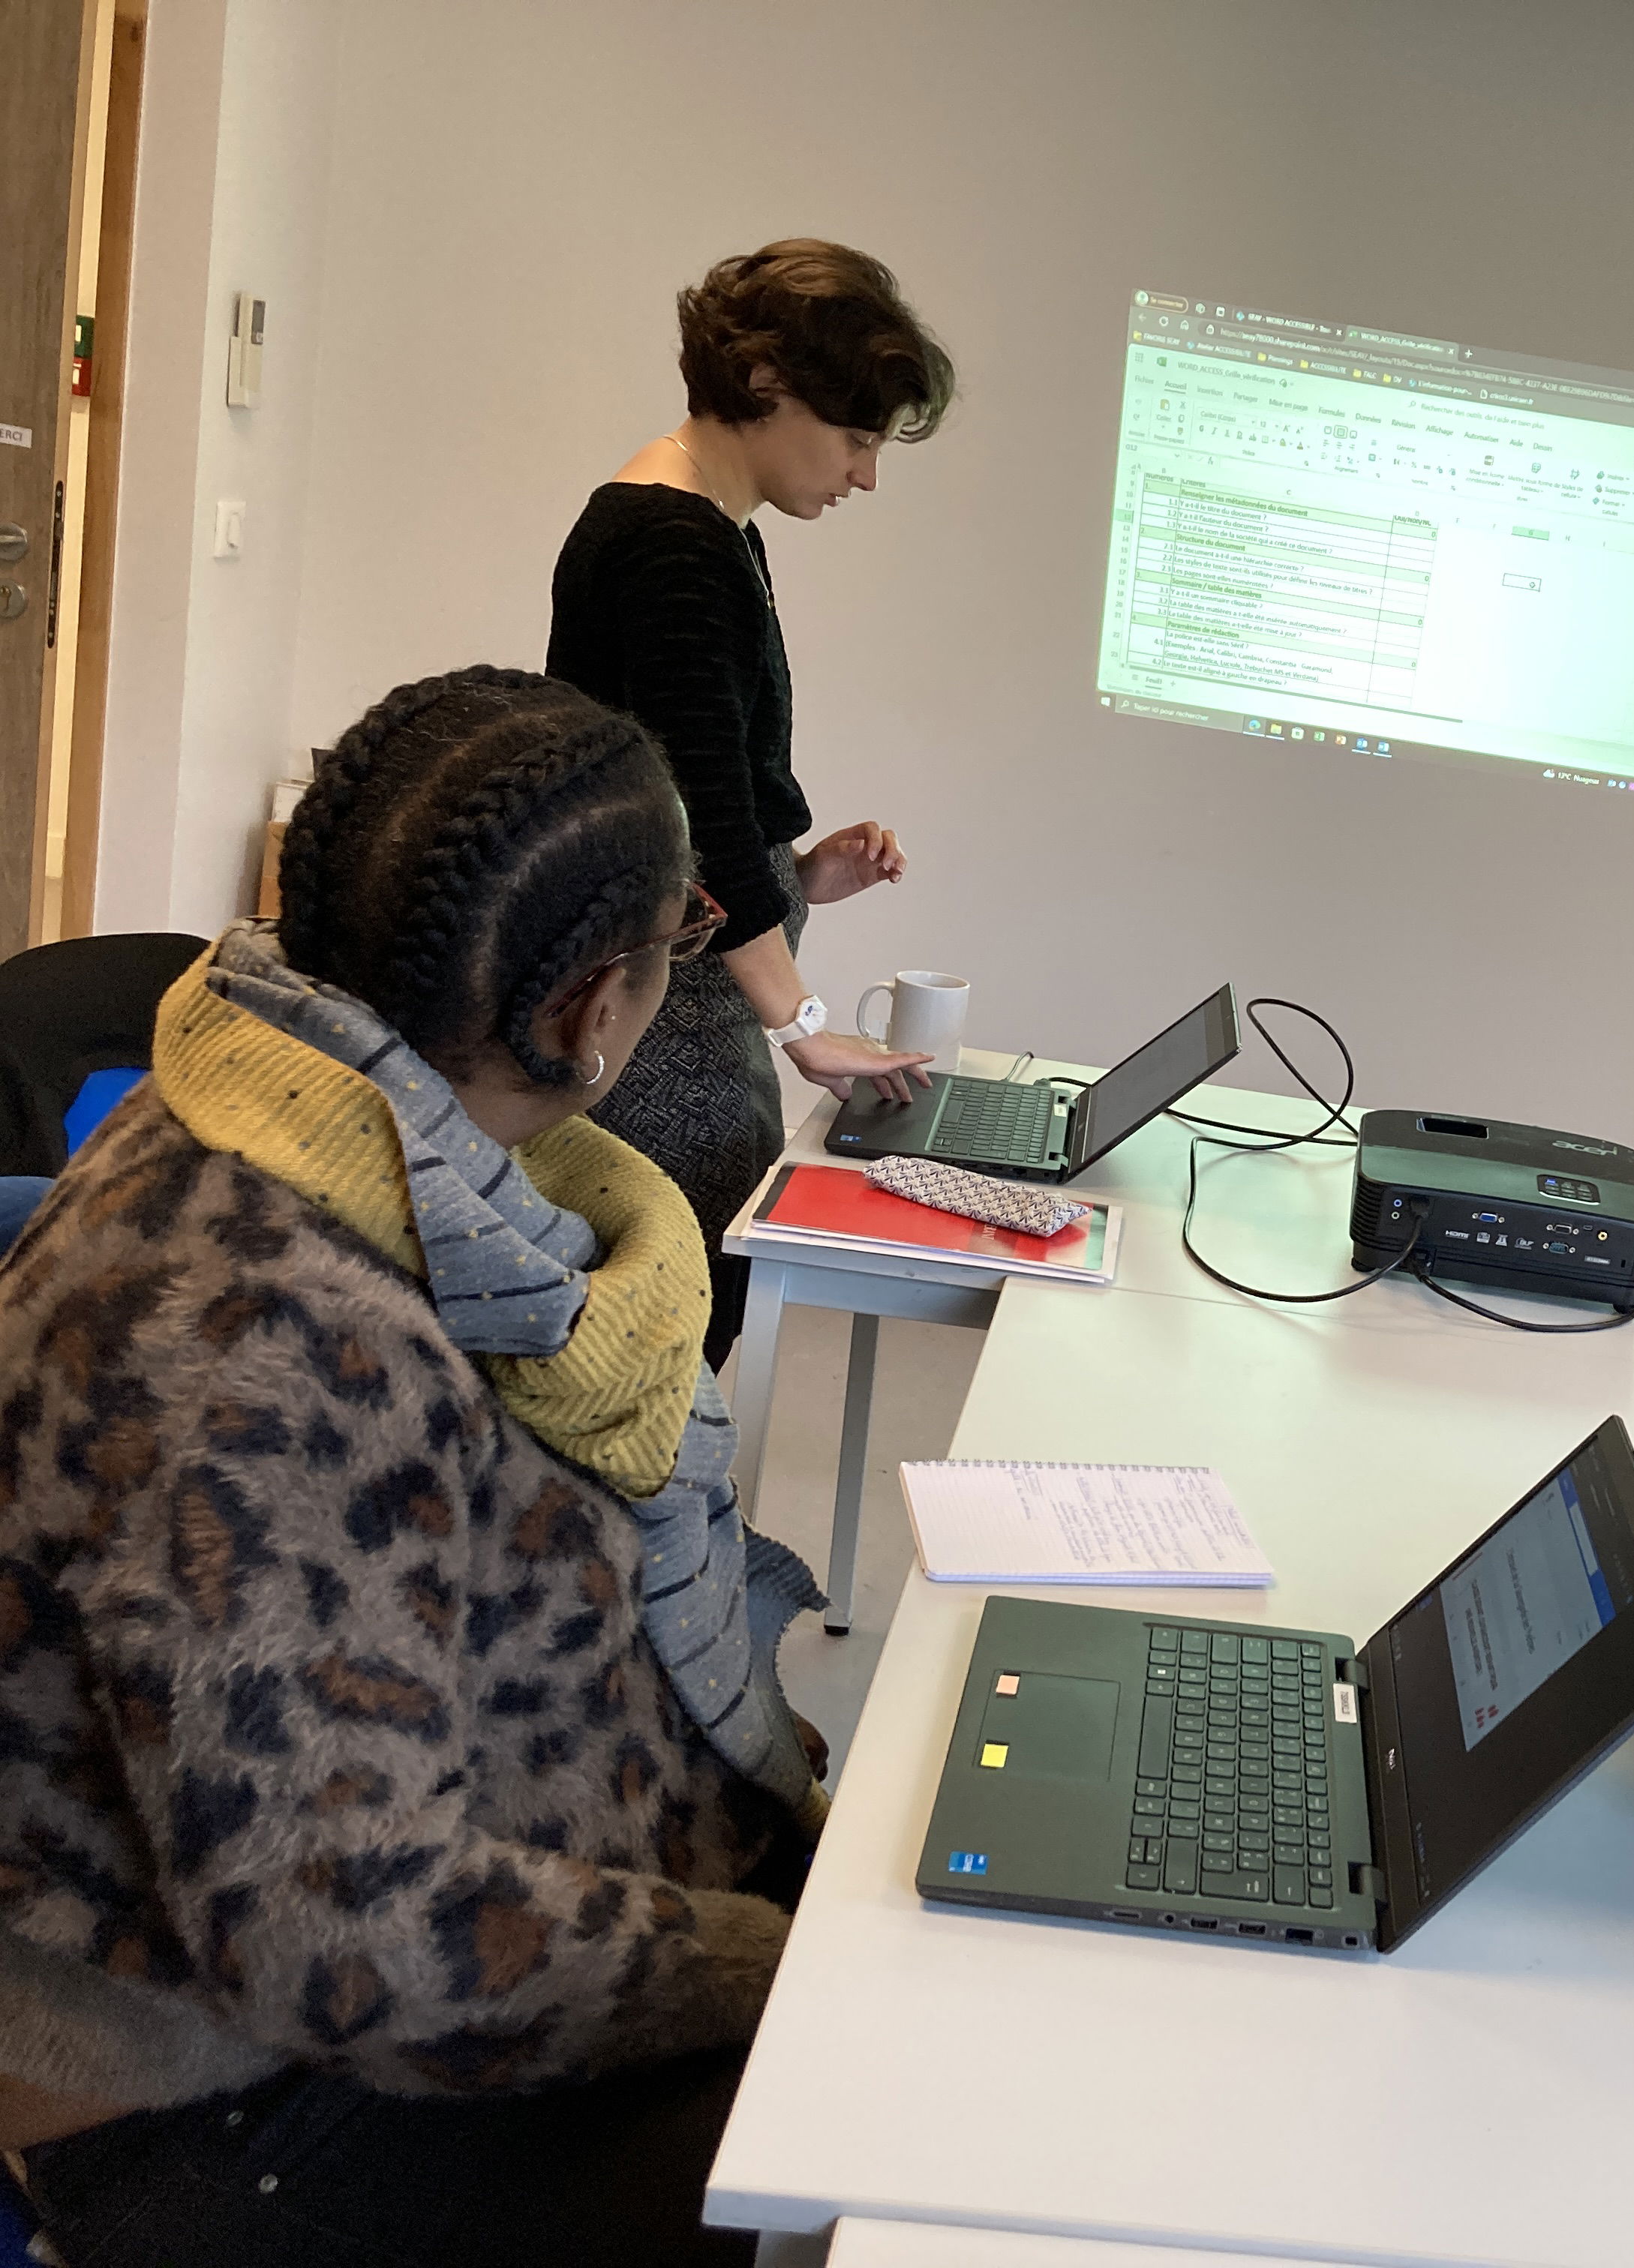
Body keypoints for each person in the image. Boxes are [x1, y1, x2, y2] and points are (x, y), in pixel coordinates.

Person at [0, 668, 831, 2267]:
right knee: (872, 2193)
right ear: (597, 1011)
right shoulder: (281, 1342)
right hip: (221, 2100)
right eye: (685, 933)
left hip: (383, 1958)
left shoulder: (283, 1105)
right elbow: (348, 1939)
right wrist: (767, 1958)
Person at [548, 238, 958, 1366]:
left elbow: (696, 792)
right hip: (666, 1011)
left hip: (686, 972)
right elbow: (701, 820)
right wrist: (807, 1029)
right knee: (678, 1313)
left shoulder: (708, 526)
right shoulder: (674, 544)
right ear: (770, 389)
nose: (863, 474)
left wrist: (802, 873)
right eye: (857, 439)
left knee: (681, 1305)